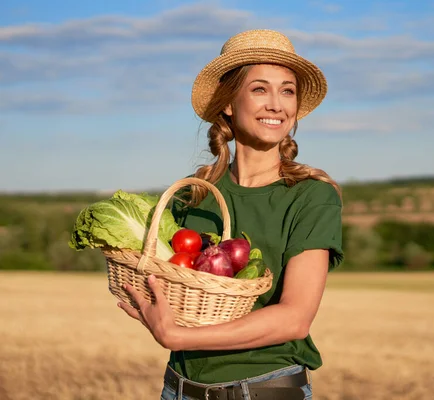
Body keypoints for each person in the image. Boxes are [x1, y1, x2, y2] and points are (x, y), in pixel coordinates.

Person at [118, 29, 344, 400]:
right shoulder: (194, 195)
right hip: (179, 388)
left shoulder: (312, 196)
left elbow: (295, 317)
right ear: (227, 103)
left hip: (264, 389)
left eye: (287, 90)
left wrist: (179, 337)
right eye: (260, 89)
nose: (277, 104)